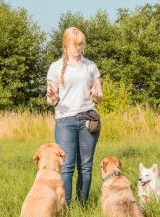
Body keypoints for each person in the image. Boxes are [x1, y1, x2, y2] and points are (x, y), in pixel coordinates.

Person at [46, 27, 103, 205]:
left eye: (81, 44)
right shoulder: (55, 67)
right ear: (66, 43)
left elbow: (100, 97)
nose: (78, 47)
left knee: (85, 167)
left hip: (88, 120)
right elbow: (50, 100)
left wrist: (96, 94)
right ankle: (66, 207)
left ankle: (82, 206)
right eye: (74, 44)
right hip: (65, 120)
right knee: (66, 167)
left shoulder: (90, 66)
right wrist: (53, 97)